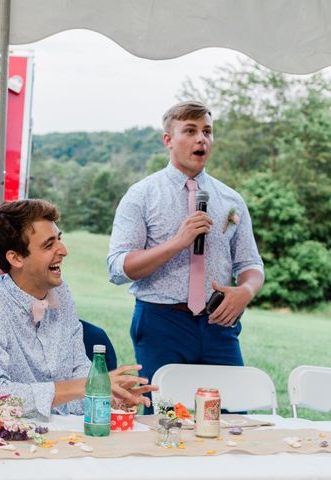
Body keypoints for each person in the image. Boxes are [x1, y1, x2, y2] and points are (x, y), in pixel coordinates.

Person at [107, 100, 264, 412]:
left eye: (207, 131)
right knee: (166, 423)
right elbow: (117, 268)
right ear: (168, 140)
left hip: (220, 324)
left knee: (234, 418)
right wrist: (177, 242)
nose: (201, 139)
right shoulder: (142, 195)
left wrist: (245, 291)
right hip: (161, 323)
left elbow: (250, 264)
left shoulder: (231, 199)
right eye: (190, 131)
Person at [0, 199, 156, 420]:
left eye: (59, 240)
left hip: (68, 435)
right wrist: (85, 386)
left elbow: (79, 367)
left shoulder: (61, 292)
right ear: (15, 258)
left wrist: (107, 395)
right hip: (13, 441)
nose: (63, 251)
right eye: (48, 245)